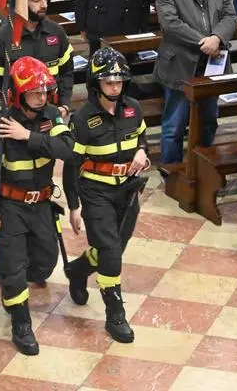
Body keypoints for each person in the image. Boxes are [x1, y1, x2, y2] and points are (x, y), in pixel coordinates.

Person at [0, 56, 73, 355]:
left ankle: (9, 277)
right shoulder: (2, 125)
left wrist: (29, 136)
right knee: (14, 270)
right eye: (35, 92)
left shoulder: (53, 116)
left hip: (42, 204)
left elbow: (67, 150)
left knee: (44, 263)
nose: (42, 97)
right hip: (11, 207)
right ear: (19, 94)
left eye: (45, 92)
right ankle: (21, 324)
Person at [63, 48, 149, 343]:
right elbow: (71, 166)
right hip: (96, 191)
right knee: (111, 251)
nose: (115, 86)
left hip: (127, 191)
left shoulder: (133, 108)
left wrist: (142, 152)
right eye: (108, 81)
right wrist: (73, 206)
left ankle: (77, 270)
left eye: (119, 81)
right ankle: (115, 315)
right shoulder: (83, 119)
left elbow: (142, 138)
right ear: (95, 83)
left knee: (113, 250)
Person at [155, 0, 237, 161]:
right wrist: (206, 41)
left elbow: (230, 16)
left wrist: (218, 37)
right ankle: (170, 171)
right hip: (180, 64)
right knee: (174, 125)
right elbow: (170, 24)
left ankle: (202, 164)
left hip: (212, 65)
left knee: (209, 120)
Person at [0, 0, 73, 123]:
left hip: (50, 118)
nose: (44, 4)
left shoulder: (57, 33)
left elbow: (67, 72)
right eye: (36, 0)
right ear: (21, 3)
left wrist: (65, 105)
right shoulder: (1, 39)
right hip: (14, 121)